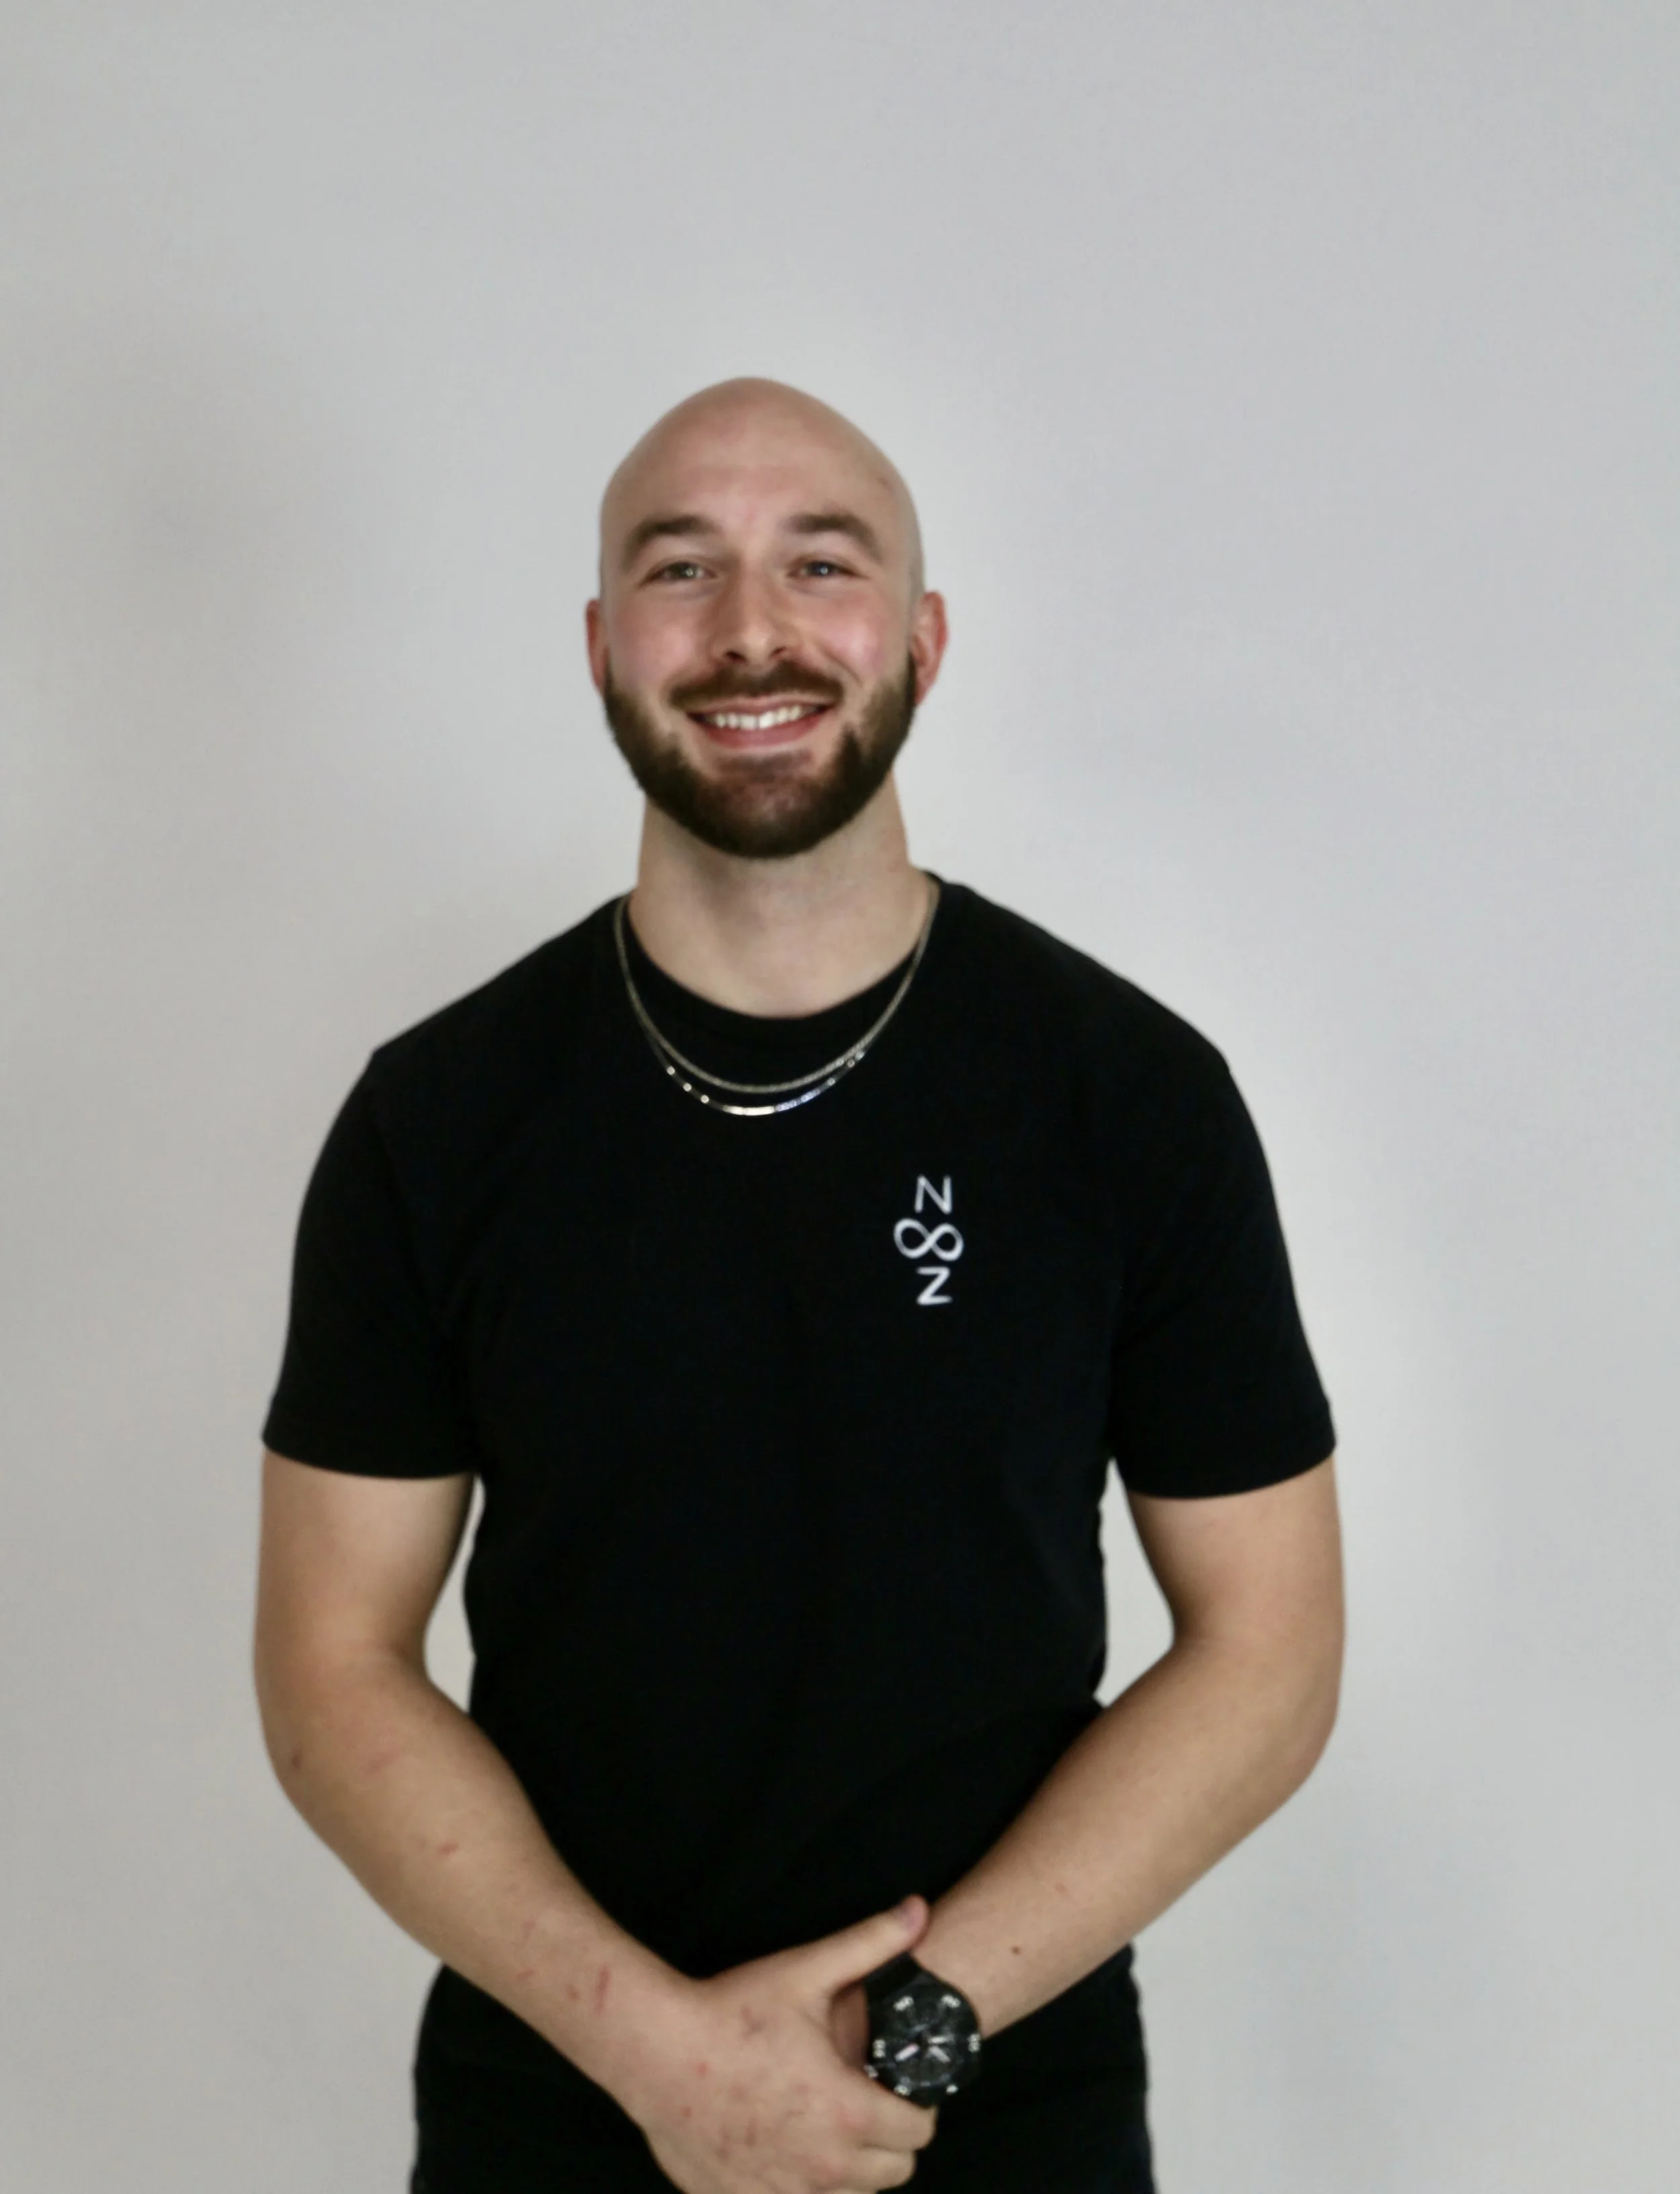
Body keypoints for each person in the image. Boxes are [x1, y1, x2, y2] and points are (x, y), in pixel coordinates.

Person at [254, 377, 1343, 2194]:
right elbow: (328, 1663)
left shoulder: (1125, 1095)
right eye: (680, 571)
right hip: (557, 2105)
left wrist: (908, 2031)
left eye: (819, 564)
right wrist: (656, 2054)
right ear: (603, 647)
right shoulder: (438, 1116)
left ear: (918, 637)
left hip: (1001, 2100)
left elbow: (1269, 1648)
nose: (751, 627)